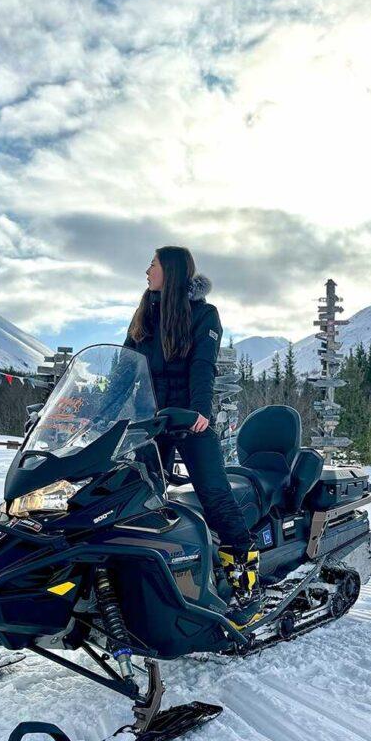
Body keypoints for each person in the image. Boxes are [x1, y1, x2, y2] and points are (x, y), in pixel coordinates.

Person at [124, 245, 262, 626]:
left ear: (170, 271)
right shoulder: (145, 314)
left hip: (189, 419)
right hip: (150, 424)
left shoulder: (203, 314)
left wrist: (200, 411)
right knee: (138, 496)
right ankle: (148, 581)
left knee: (214, 494)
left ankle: (247, 583)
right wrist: (99, 412)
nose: (147, 271)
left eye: (152, 264)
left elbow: (203, 365)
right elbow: (124, 370)